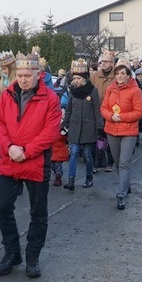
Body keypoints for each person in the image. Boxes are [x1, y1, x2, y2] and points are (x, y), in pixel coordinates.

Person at [0, 51, 61, 278]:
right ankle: (12, 252)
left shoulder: (50, 99)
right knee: (2, 208)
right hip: (9, 160)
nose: (22, 79)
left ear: (38, 74)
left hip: (36, 162)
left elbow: (50, 133)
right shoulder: (6, 96)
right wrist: (9, 147)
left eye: (27, 75)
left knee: (38, 213)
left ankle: (33, 255)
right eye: (19, 75)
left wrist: (27, 151)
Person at [100, 59, 142, 211]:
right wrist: (111, 116)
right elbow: (104, 107)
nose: (119, 76)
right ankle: (125, 184)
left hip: (129, 131)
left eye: (122, 73)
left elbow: (139, 112)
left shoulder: (135, 90)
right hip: (112, 130)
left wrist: (122, 117)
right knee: (118, 162)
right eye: (117, 73)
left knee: (124, 162)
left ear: (128, 75)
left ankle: (121, 194)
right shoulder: (110, 89)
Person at [61, 59, 103, 191]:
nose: (76, 81)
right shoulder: (72, 91)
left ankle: (89, 177)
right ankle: (71, 180)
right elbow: (68, 109)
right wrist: (64, 123)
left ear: (84, 78)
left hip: (88, 128)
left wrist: (99, 127)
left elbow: (97, 110)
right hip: (74, 127)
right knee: (73, 153)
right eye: (75, 78)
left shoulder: (92, 91)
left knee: (87, 155)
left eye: (78, 78)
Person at [91, 52, 116, 172]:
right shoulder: (95, 76)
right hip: (96, 110)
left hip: (111, 111)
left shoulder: (116, 76)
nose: (103, 63)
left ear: (112, 63)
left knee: (109, 137)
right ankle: (96, 162)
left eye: (106, 61)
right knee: (96, 137)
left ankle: (109, 162)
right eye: (102, 61)